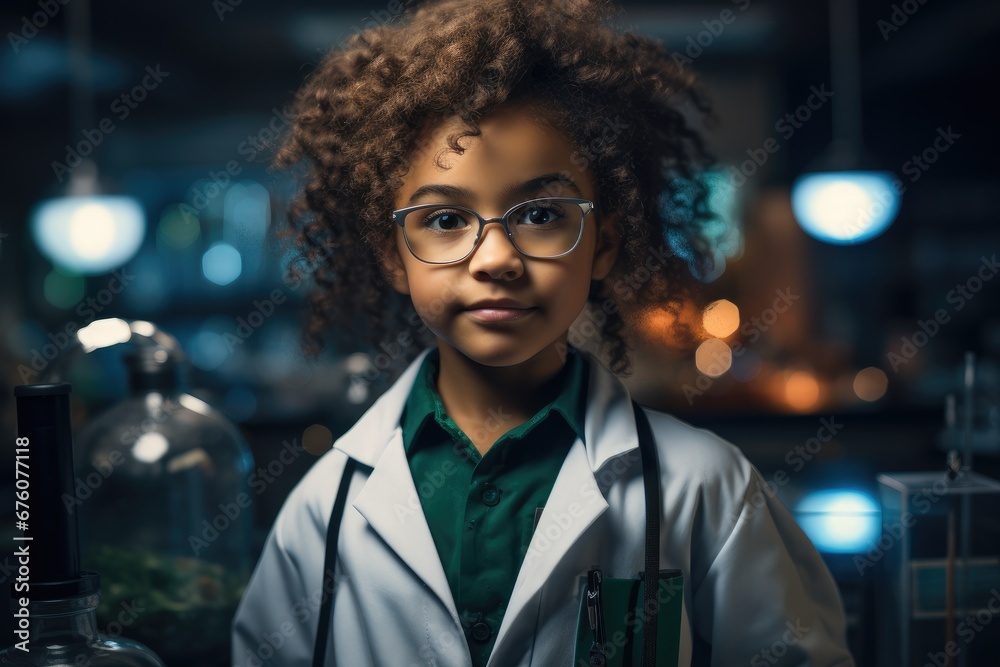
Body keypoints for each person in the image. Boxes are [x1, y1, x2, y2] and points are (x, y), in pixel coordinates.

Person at [231, 0, 855, 665]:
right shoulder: (322, 510)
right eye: (445, 221)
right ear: (393, 254)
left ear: (604, 243)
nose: (496, 258)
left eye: (539, 214)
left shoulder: (705, 489)